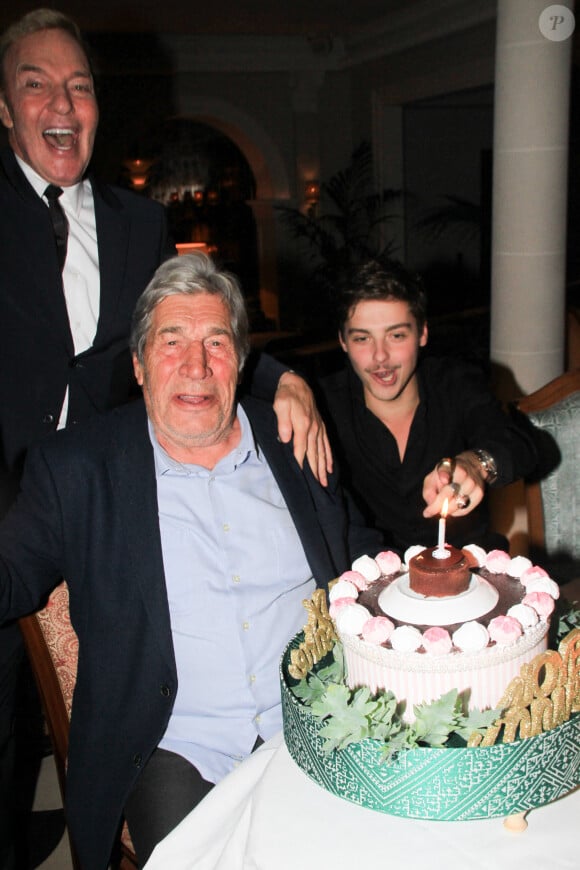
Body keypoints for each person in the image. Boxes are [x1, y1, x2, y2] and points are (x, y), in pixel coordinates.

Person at [0, 9, 330, 866]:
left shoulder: (136, 219)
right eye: (36, 82)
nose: (60, 100)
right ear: (4, 106)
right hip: (32, 502)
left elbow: (189, 335)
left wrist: (282, 378)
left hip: (127, 483)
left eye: (78, 84)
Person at [0, 252, 378, 870]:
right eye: (171, 341)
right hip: (174, 743)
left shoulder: (293, 440)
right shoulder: (78, 469)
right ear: (140, 365)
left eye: (216, 342)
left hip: (319, 720)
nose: (196, 366)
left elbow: (354, 550)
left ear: (243, 362)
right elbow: (13, 572)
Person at [318, 258, 539, 553]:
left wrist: (476, 464)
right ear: (343, 341)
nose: (380, 356)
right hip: (371, 582)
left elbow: (520, 445)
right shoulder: (323, 403)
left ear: (422, 333)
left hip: (468, 571)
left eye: (396, 335)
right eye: (362, 338)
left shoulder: (454, 382)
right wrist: (287, 382)